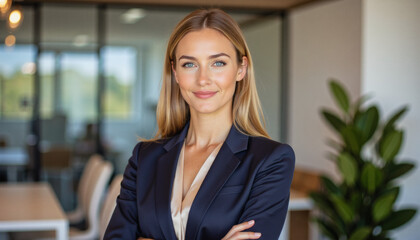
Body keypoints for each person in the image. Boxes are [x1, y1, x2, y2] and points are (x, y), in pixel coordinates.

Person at [104, 8, 295, 240]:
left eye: (218, 63)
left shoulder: (270, 160)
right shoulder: (144, 158)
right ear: (175, 72)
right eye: (189, 65)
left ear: (241, 69)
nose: (203, 79)